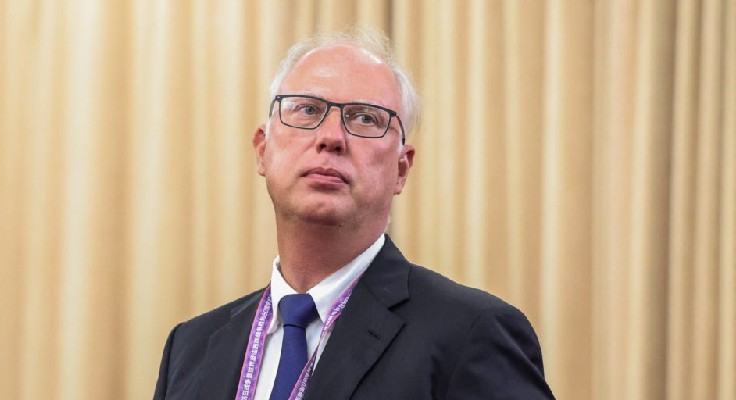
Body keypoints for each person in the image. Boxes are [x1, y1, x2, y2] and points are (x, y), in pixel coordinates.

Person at [153, 28, 554, 400]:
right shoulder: (190, 348)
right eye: (307, 110)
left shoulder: (470, 334)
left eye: (365, 118)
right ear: (263, 149)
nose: (331, 138)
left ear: (401, 169)